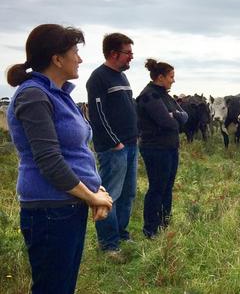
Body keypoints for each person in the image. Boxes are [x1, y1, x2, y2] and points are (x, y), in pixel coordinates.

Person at [6, 24, 113, 293]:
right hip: (50, 209)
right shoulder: (34, 95)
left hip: (66, 204)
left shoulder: (59, 95)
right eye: (75, 52)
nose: (79, 58)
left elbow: (75, 151)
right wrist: (92, 197)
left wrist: (94, 188)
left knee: (62, 286)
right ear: (57, 59)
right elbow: (49, 161)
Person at [86, 33, 138, 254]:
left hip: (130, 144)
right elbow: (97, 115)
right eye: (128, 53)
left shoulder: (122, 78)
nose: (131, 57)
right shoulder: (98, 78)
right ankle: (109, 245)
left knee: (128, 193)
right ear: (113, 54)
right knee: (110, 196)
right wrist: (114, 142)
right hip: (113, 148)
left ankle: (121, 234)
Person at [136, 59, 188, 238]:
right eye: (171, 77)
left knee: (167, 187)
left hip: (170, 147)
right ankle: (150, 229)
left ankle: (165, 224)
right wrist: (175, 117)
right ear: (160, 77)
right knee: (157, 188)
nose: (173, 80)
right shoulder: (149, 96)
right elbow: (167, 123)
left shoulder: (164, 95)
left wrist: (176, 115)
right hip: (156, 149)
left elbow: (185, 116)